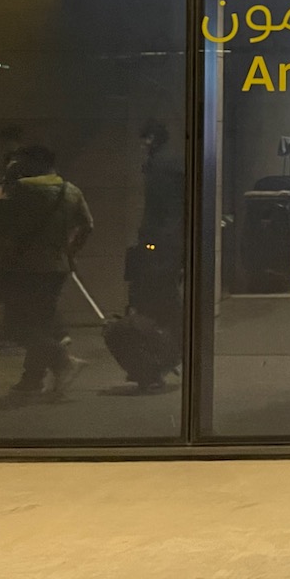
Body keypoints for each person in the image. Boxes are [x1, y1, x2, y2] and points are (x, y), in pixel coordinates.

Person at [0, 145, 94, 397]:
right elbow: (87, 225)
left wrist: (7, 177)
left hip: (24, 267)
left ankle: (62, 360)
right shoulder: (71, 191)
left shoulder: (19, 190)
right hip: (57, 267)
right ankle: (32, 378)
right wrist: (70, 251)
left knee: (18, 325)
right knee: (42, 322)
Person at [123, 120, 184, 391]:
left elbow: (156, 209)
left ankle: (156, 363)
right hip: (169, 244)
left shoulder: (159, 167)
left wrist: (148, 240)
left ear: (150, 140)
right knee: (166, 302)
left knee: (154, 301)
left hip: (159, 244)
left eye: (143, 139)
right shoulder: (170, 164)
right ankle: (161, 360)